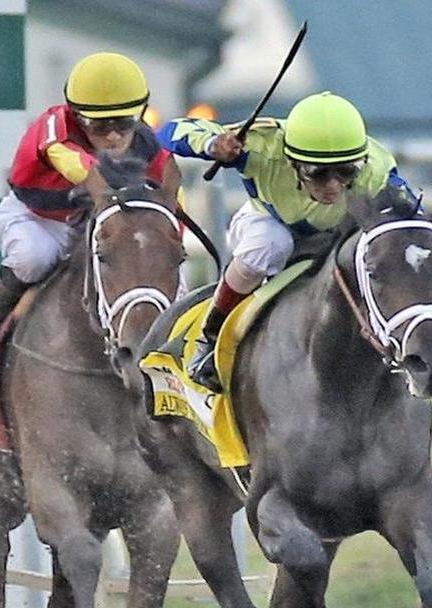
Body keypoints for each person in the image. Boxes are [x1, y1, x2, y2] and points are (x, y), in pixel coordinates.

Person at [157, 91, 417, 392]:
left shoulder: (378, 170)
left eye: (346, 172)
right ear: (292, 162)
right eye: (317, 173)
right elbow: (167, 132)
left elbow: (412, 224)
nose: (333, 186)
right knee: (270, 244)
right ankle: (210, 338)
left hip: (340, 234)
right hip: (269, 220)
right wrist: (214, 144)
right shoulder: (259, 145)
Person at [0, 51, 181, 365]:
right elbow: (77, 165)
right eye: (99, 126)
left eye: (125, 122)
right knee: (32, 257)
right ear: (76, 116)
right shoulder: (54, 128)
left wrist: (168, 242)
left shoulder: (147, 145)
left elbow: (167, 201)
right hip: (36, 218)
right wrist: (104, 188)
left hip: (96, 222)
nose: (114, 135)